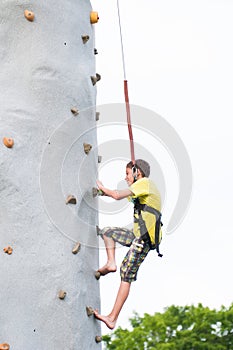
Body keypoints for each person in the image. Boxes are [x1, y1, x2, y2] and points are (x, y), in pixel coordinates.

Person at [94, 159, 162, 330]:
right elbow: (117, 195)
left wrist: (102, 187)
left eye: (127, 174)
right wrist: (101, 192)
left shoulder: (145, 183)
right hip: (137, 235)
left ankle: (112, 318)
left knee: (126, 273)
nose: (125, 178)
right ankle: (110, 263)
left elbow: (117, 195)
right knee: (108, 232)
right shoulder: (140, 189)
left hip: (145, 239)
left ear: (136, 172)